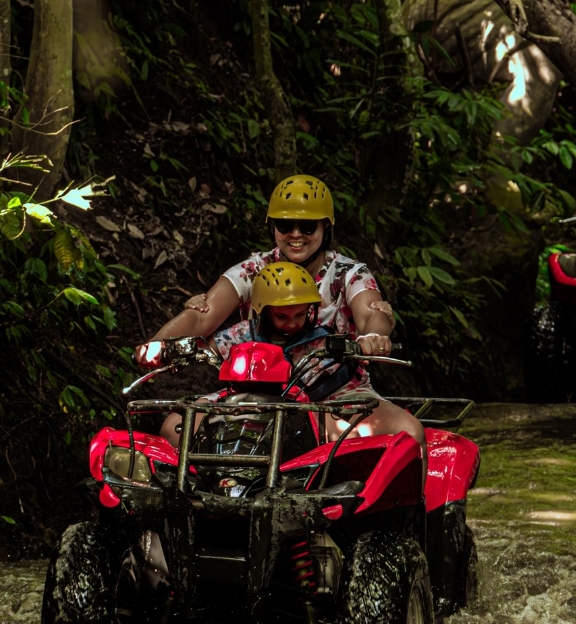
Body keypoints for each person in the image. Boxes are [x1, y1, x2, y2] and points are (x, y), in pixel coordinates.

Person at [138, 175, 423, 446]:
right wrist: (156, 346)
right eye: (285, 225)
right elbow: (203, 313)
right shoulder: (255, 269)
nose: (295, 234)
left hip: (334, 392)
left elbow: (371, 311)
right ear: (272, 227)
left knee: (409, 433)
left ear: (326, 229)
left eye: (308, 226)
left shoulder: (348, 273)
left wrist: (374, 335)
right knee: (176, 428)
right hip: (258, 391)